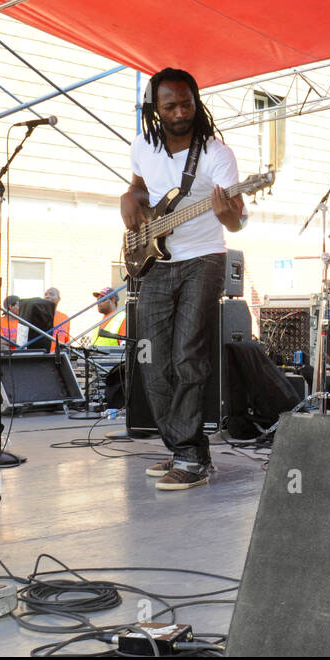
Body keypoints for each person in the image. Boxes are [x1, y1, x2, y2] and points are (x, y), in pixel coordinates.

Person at [120, 67, 246, 491]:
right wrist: (128, 201)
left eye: (186, 103)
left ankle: (190, 459)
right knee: (151, 359)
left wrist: (227, 210)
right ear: (155, 108)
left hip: (203, 260)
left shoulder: (215, 153)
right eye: (170, 105)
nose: (179, 112)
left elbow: (237, 220)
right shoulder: (143, 146)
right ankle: (184, 450)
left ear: (197, 102)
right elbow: (139, 190)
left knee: (188, 357)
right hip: (155, 261)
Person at [44, 286, 70, 352]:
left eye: (51, 294)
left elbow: (66, 340)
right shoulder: (38, 316)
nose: (47, 296)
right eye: (45, 294)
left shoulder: (65, 318)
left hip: (59, 356)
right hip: (43, 355)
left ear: (58, 299)